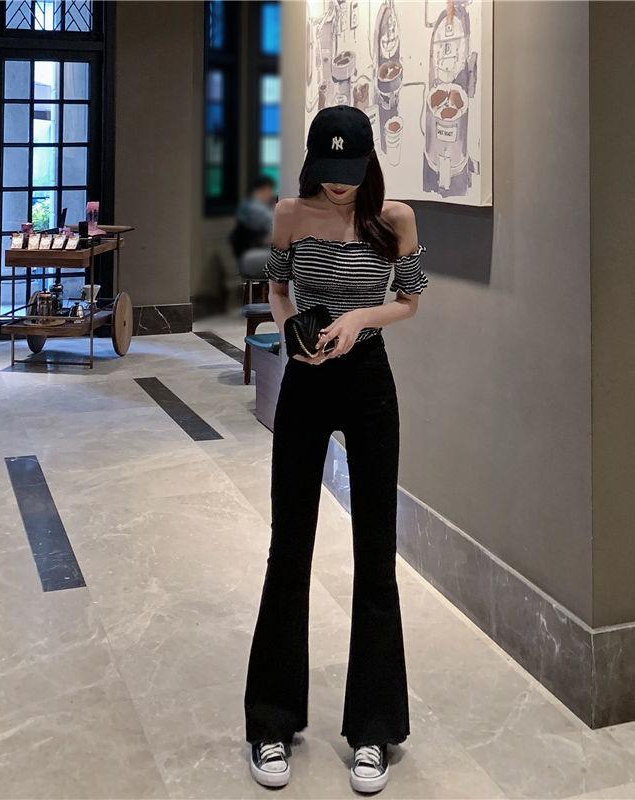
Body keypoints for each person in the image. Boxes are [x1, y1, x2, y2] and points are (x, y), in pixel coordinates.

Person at [243, 104, 429, 794]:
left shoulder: (395, 219)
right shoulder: (290, 214)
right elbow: (277, 289)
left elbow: (410, 300)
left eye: (349, 172)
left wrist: (359, 318)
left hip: (368, 378)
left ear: (368, 163)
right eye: (329, 172)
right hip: (307, 377)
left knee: (375, 553)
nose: (339, 185)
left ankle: (374, 728)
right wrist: (294, 334)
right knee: (289, 546)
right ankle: (271, 720)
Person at [229, 175, 277, 258]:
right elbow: (273, 223)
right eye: (270, 190)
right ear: (264, 189)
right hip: (252, 252)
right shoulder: (254, 207)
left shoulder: (246, 203)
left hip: (251, 249)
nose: (271, 194)